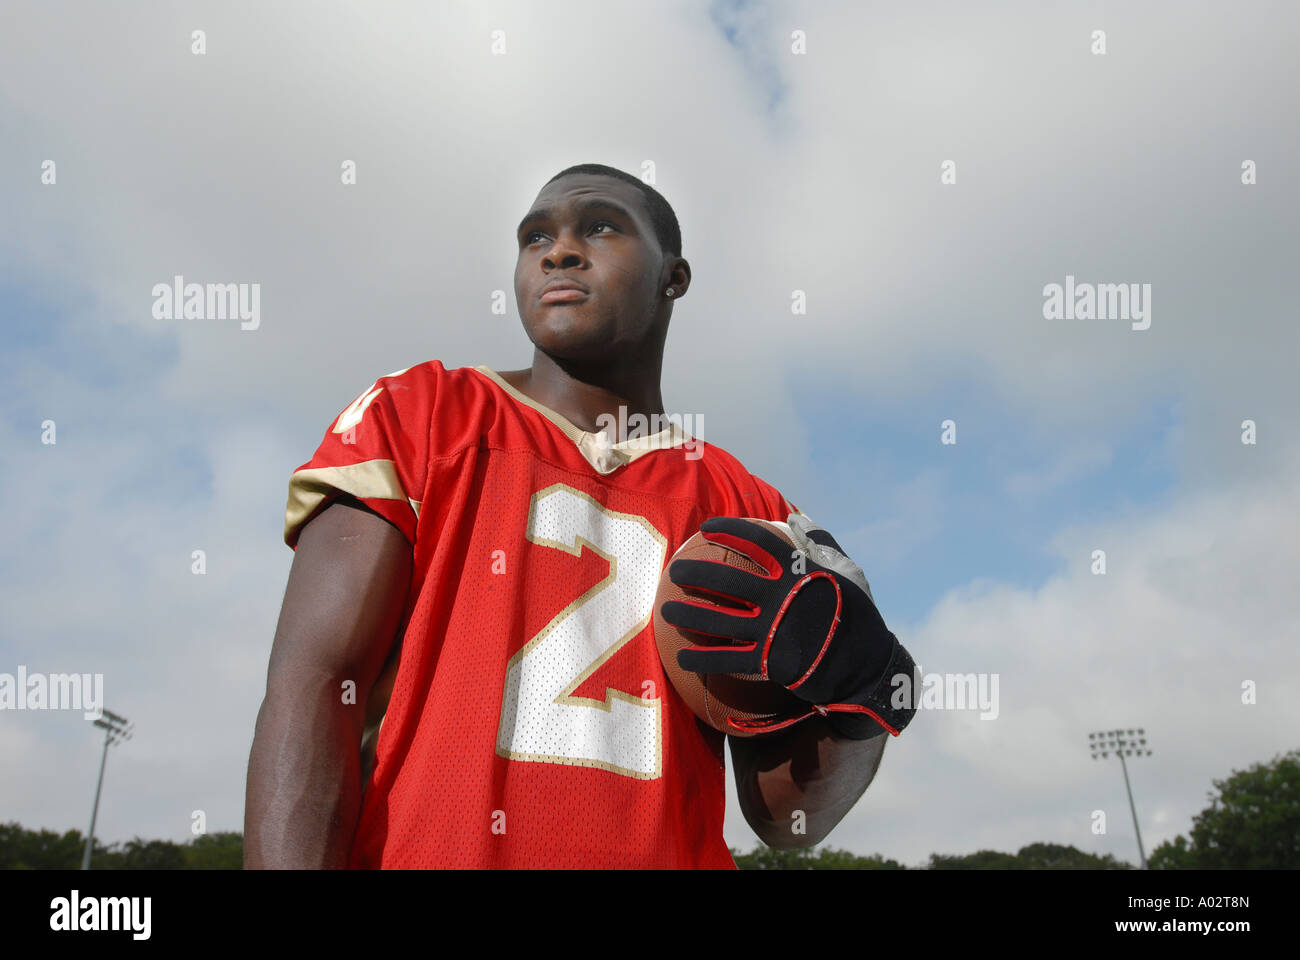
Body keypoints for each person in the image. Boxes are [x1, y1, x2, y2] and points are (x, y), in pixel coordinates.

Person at [243, 164, 916, 868]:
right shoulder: (419, 415)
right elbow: (315, 684)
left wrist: (866, 694)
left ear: (673, 276)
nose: (556, 251)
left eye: (599, 226)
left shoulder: (756, 513)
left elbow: (788, 821)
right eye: (535, 236)